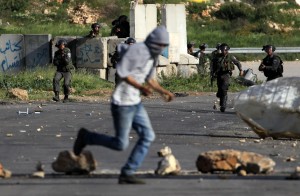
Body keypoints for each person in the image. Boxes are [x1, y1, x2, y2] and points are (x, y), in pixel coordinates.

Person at [73, 26, 174, 184]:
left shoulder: (153, 57)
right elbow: (122, 72)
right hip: (122, 102)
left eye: (164, 45)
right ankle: (86, 137)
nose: (162, 48)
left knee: (148, 136)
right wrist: (141, 88)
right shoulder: (137, 50)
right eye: (160, 45)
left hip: (135, 102)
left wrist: (164, 92)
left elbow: (150, 79)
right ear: (154, 42)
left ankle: (128, 172)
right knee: (120, 144)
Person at [214, 43, 243, 112]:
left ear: (227, 50)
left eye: (224, 50)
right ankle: (221, 103)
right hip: (219, 74)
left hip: (226, 74)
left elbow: (237, 63)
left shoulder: (230, 57)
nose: (222, 51)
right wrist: (212, 73)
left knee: (224, 89)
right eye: (221, 50)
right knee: (220, 90)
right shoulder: (217, 57)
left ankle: (223, 105)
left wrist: (241, 70)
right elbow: (213, 65)